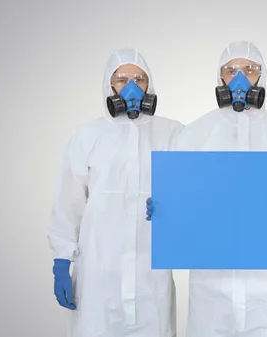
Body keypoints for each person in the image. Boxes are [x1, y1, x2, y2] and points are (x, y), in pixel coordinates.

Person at [147, 41, 267, 337]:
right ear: (220, 77)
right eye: (231, 70)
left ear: (262, 76)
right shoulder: (194, 135)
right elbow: (183, 204)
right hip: (210, 292)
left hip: (264, 292)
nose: (240, 78)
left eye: (249, 69)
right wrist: (166, 209)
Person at [47, 48, 183, 337]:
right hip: (99, 268)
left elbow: (195, 190)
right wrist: (62, 259)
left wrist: (174, 205)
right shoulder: (88, 136)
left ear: (149, 83)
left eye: (139, 78)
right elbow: (69, 201)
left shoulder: (173, 133)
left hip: (151, 271)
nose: (131, 86)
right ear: (109, 85)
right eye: (122, 79)